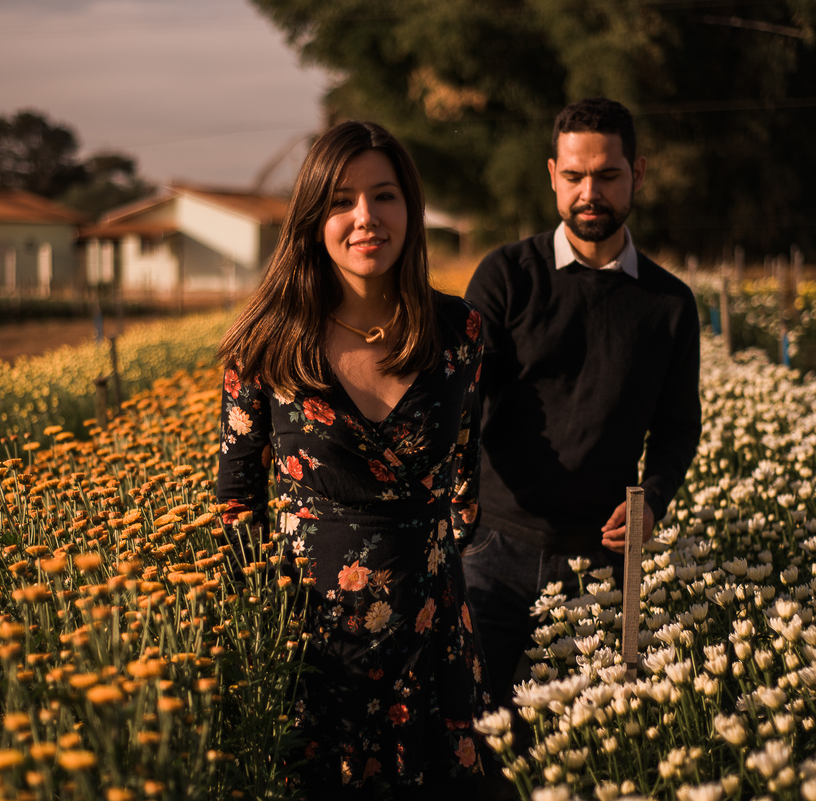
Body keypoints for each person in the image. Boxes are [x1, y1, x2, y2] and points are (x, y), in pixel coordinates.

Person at [217, 120, 488, 799]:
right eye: (341, 200)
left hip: (434, 642)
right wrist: (258, 638)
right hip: (315, 648)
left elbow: (468, 474)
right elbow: (235, 503)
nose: (365, 217)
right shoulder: (265, 346)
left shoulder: (462, 333)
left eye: (384, 195)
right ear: (313, 218)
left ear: (411, 210)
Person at [461, 97, 702, 714]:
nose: (588, 192)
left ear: (637, 174)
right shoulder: (506, 277)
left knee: (580, 740)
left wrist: (654, 502)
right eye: (573, 176)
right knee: (470, 737)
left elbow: (678, 428)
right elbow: (461, 401)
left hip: (597, 563)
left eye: (607, 175)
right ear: (552, 174)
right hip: (494, 548)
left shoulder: (668, 305)